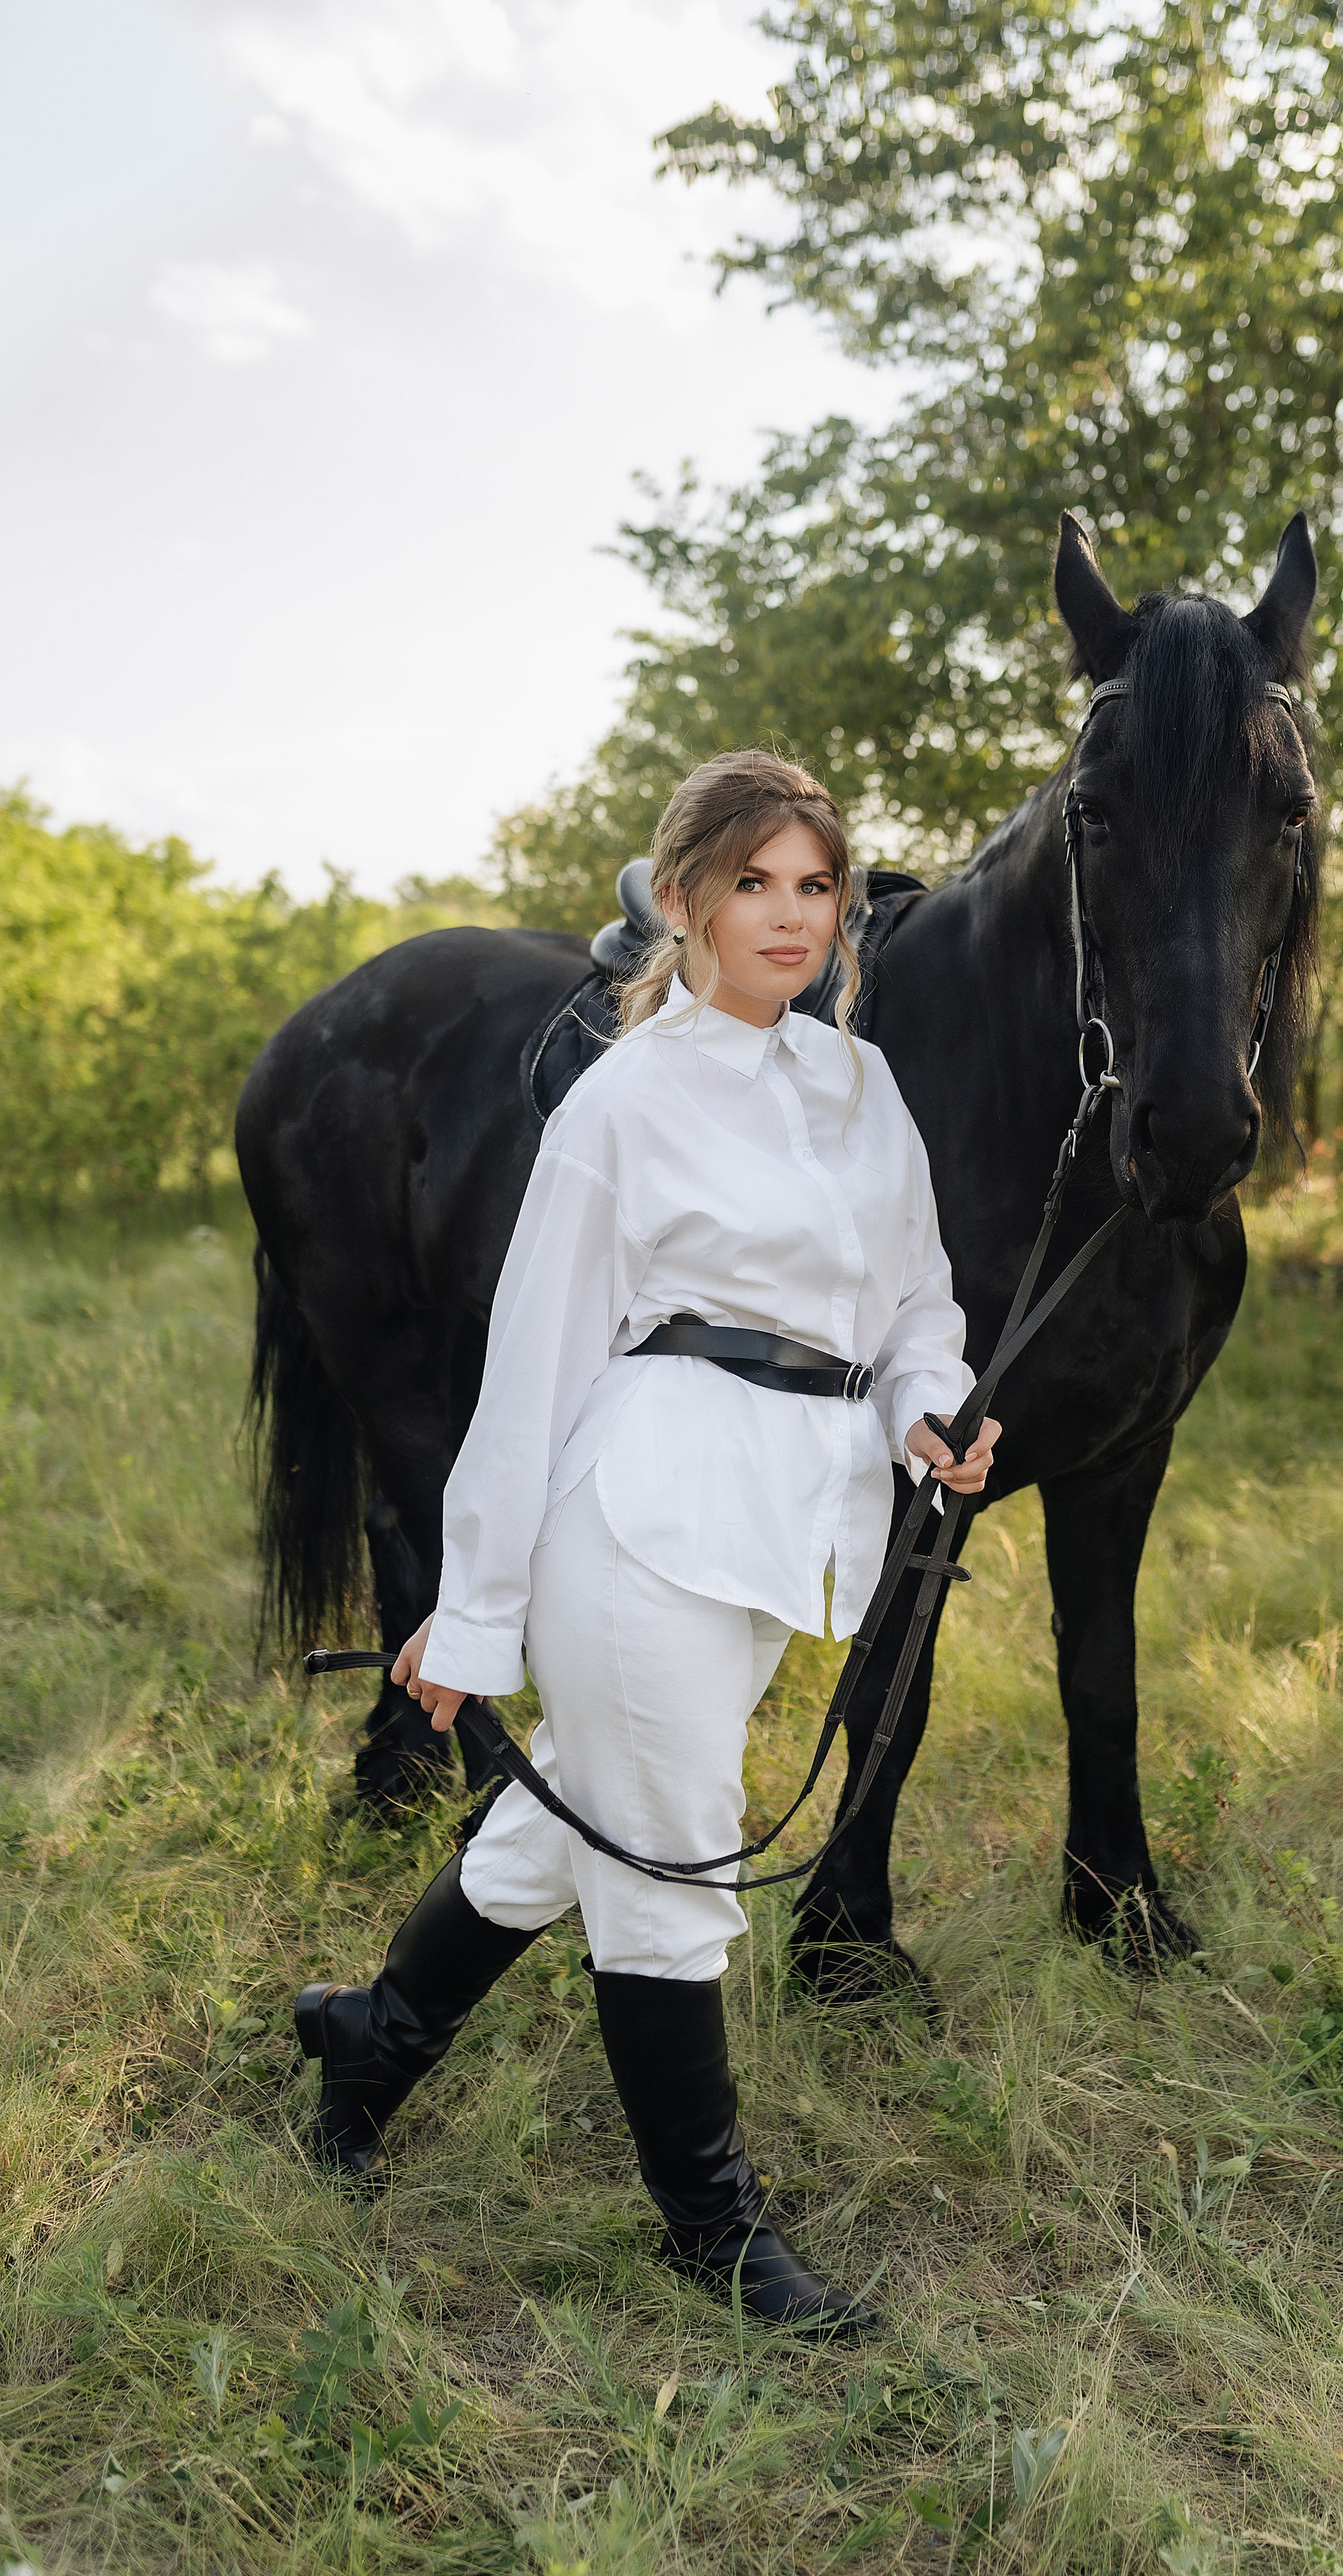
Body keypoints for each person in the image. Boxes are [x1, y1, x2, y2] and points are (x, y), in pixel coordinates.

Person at [293, 752, 999, 2339]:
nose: (788, 914)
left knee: (578, 1827)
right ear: (681, 902)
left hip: (795, 1518)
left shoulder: (861, 1086)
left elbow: (912, 1302)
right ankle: (710, 2224)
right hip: (643, 1514)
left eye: (814, 884)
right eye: (751, 881)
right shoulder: (623, 1100)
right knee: (669, 1860)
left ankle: (371, 2037)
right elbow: (533, 1361)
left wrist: (930, 1404)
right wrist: (471, 1614)